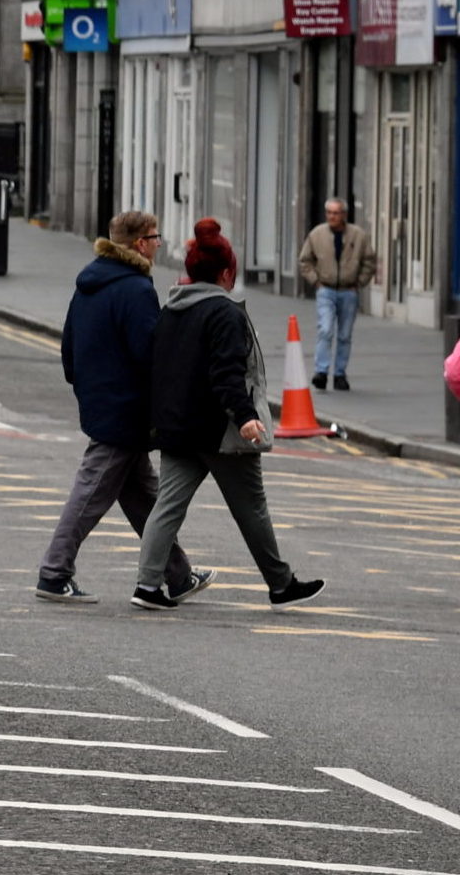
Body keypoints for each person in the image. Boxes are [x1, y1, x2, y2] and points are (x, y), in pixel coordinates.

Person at [131, 219, 324, 611]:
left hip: (177, 429)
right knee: (251, 508)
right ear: (225, 272)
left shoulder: (171, 310)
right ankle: (281, 584)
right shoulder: (225, 314)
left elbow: (158, 370)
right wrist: (245, 416)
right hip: (221, 432)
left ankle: (147, 586)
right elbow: (227, 373)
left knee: (167, 506)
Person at [34, 210, 210, 604]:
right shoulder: (135, 288)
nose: (159, 243)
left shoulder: (90, 282)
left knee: (144, 497)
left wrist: (83, 385)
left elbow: (69, 344)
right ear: (139, 244)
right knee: (90, 492)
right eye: (155, 236)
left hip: (101, 398)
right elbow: (150, 352)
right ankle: (53, 572)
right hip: (125, 407)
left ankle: (178, 575)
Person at [296, 197, 376, 391]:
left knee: (345, 335)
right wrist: (316, 282)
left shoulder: (358, 236)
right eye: (329, 213)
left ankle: (340, 374)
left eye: (336, 213)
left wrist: (359, 282)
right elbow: (305, 261)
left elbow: (369, 261)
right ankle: (321, 372)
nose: (332, 216)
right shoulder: (317, 235)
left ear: (344, 215)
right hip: (326, 289)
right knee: (325, 329)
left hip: (349, 291)